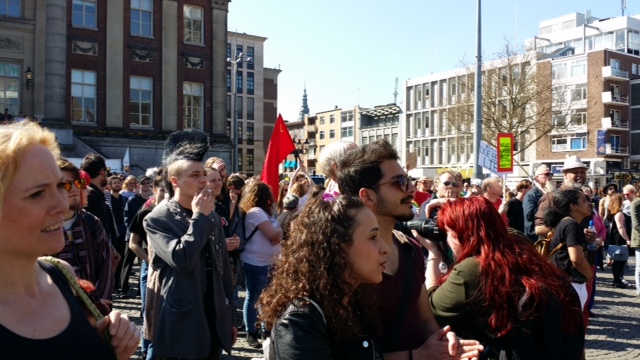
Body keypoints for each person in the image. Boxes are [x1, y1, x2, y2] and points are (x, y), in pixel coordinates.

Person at [0, 121, 139, 359]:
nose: (62, 205)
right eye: (37, 193)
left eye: (60, 186)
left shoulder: (62, 275)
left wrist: (111, 348)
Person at [337, 139, 483, 359]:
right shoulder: (345, 261)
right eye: (400, 182)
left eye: (409, 180)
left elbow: (425, 320)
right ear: (367, 196)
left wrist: (446, 342)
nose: (412, 188)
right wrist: (416, 355)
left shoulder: (410, 248)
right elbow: (344, 354)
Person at [425, 197, 584, 359]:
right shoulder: (521, 249)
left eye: (448, 233)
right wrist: (468, 209)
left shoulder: (471, 268)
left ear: (464, 235)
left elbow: (430, 309)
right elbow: (504, 231)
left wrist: (433, 254)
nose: (447, 240)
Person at [260, 195, 390, 359]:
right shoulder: (301, 319)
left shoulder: (351, 302)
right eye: (373, 237)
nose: (385, 248)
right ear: (338, 246)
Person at [144, 130, 236, 359]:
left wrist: (230, 318)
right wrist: (200, 218)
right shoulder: (157, 218)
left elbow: (223, 269)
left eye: (204, 174)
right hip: (182, 324)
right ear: (175, 181)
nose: (204, 180)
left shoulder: (212, 216)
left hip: (214, 319)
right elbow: (182, 259)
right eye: (195, 175)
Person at [55, 158, 115, 300]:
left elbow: (106, 267)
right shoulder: (39, 226)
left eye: (78, 182)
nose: (75, 189)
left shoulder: (91, 222)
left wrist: (97, 305)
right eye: (66, 185)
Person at [239, 181, 283, 348]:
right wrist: (277, 233)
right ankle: (252, 331)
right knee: (254, 297)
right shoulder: (256, 212)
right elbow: (274, 234)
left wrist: (276, 234)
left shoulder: (267, 213)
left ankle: (266, 328)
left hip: (270, 261)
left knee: (268, 297)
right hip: (256, 262)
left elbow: (277, 235)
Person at [128, 175, 165, 360]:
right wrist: (148, 259)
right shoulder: (145, 212)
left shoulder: (171, 213)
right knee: (147, 308)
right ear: (154, 189)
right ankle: (146, 348)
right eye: (162, 190)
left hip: (164, 267)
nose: (165, 194)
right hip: (147, 265)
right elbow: (133, 244)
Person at [543, 189, 594, 313]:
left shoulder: (565, 223)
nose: (589, 203)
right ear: (573, 206)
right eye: (584, 200)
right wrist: (589, 275)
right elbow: (577, 259)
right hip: (571, 285)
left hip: (563, 283)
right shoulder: (571, 224)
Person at [606, 194, 631, 288]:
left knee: (618, 261)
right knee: (619, 261)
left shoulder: (613, 213)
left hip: (615, 238)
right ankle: (617, 280)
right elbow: (621, 227)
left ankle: (617, 280)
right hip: (619, 239)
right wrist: (627, 239)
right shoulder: (619, 213)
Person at [523, 164, 552, 242]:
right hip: (535, 236)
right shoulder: (531, 194)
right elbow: (529, 215)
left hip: (547, 234)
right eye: (546, 174)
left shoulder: (549, 192)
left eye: (551, 174)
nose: (550, 177)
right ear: (537, 177)